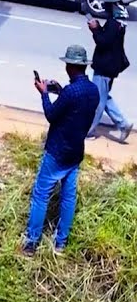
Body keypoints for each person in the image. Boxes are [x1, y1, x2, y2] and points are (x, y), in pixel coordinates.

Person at [24, 44, 101, 256]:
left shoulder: (70, 93)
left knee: (41, 196)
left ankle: (31, 243)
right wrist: (59, 90)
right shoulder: (92, 90)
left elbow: (51, 114)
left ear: (70, 67)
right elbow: (75, 108)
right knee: (68, 197)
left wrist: (44, 94)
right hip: (76, 152)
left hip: (57, 152)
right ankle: (60, 243)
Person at [87, 0, 132, 142]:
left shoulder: (113, 23)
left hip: (105, 67)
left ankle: (90, 131)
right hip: (110, 66)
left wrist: (95, 29)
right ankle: (123, 123)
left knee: (98, 100)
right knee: (105, 97)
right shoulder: (118, 22)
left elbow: (103, 42)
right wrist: (99, 28)